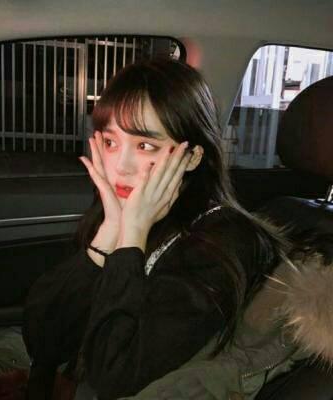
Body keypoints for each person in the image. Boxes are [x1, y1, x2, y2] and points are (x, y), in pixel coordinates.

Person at [22, 59, 291, 400]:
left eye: (144, 145)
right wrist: (110, 231)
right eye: (110, 142)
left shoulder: (221, 243)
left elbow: (112, 377)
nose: (120, 166)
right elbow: (43, 342)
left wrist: (131, 239)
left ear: (192, 157)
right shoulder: (121, 212)